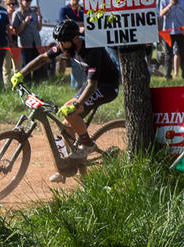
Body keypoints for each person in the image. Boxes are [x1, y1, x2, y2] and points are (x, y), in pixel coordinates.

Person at [10, 19, 120, 160]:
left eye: (63, 42)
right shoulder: (67, 45)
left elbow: (92, 87)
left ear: (75, 39)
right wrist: (21, 74)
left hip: (107, 87)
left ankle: (87, 145)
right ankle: (67, 163)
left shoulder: (92, 51)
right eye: (58, 42)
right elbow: (44, 58)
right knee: (66, 125)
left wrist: (77, 104)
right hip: (92, 84)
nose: (60, 46)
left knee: (71, 112)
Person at [58, 0, 87, 87]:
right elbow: (64, 23)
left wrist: (73, 22)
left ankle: (83, 87)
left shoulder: (83, 9)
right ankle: (75, 88)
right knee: (75, 64)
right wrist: (80, 25)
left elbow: (90, 22)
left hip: (83, 41)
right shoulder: (64, 9)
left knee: (84, 64)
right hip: (71, 42)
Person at [11, 0, 43, 79]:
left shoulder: (34, 12)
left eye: (30, 0)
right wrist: (25, 22)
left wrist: (39, 15)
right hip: (25, 43)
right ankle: (27, 82)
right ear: (21, 1)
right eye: (26, 0)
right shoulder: (17, 13)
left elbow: (39, 28)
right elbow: (16, 31)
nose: (29, 2)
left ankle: (37, 81)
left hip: (35, 42)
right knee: (26, 64)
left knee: (37, 64)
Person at [159, 0, 184, 79]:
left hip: (181, 31)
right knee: (168, 55)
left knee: (183, 53)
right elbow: (161, 14)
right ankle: (168, 75)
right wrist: (170, 5)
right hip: (168, 32)